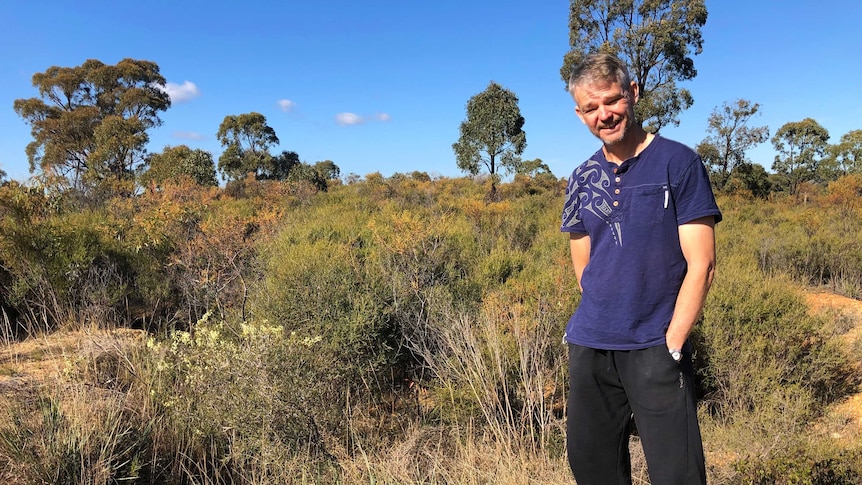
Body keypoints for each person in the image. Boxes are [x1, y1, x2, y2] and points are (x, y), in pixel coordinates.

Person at [560, 53, 722, 485]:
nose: (604, 115)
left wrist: (673, 342)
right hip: (591, 346)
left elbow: (702, 264)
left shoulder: (678, 163)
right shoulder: (580, 178)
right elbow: (584, 267)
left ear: (632, 94)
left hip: (655, 345)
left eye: (611, 101)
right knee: (594, 469)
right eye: (591, 108)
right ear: (579, 114)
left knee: (678, 472)